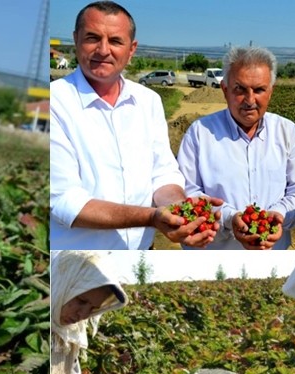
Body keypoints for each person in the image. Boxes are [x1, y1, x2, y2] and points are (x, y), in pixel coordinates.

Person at [50, 1, 223, 250]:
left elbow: (162, 173)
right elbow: (64, 200)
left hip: (141, 253)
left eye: (115, 41)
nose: (103, 50)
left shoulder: (147, 101)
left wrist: (180, 208)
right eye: (92, 38)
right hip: (78, 261)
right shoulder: (54, 102)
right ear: (76, 40)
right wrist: (151, 217)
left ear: (131, 50)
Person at [177, 46, 295, 250]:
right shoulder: (200, 133)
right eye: (239, 89)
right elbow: (188, 191)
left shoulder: (288, 132)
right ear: (225, 90)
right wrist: (229, 217)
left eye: (259, 90)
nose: (250, 100)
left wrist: (278, 216)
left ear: (270, 91)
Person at [50, 251, 136, 374]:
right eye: (80, 300)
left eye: (92, 307)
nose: (83, 314)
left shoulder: (67, 335)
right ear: (62, 284)